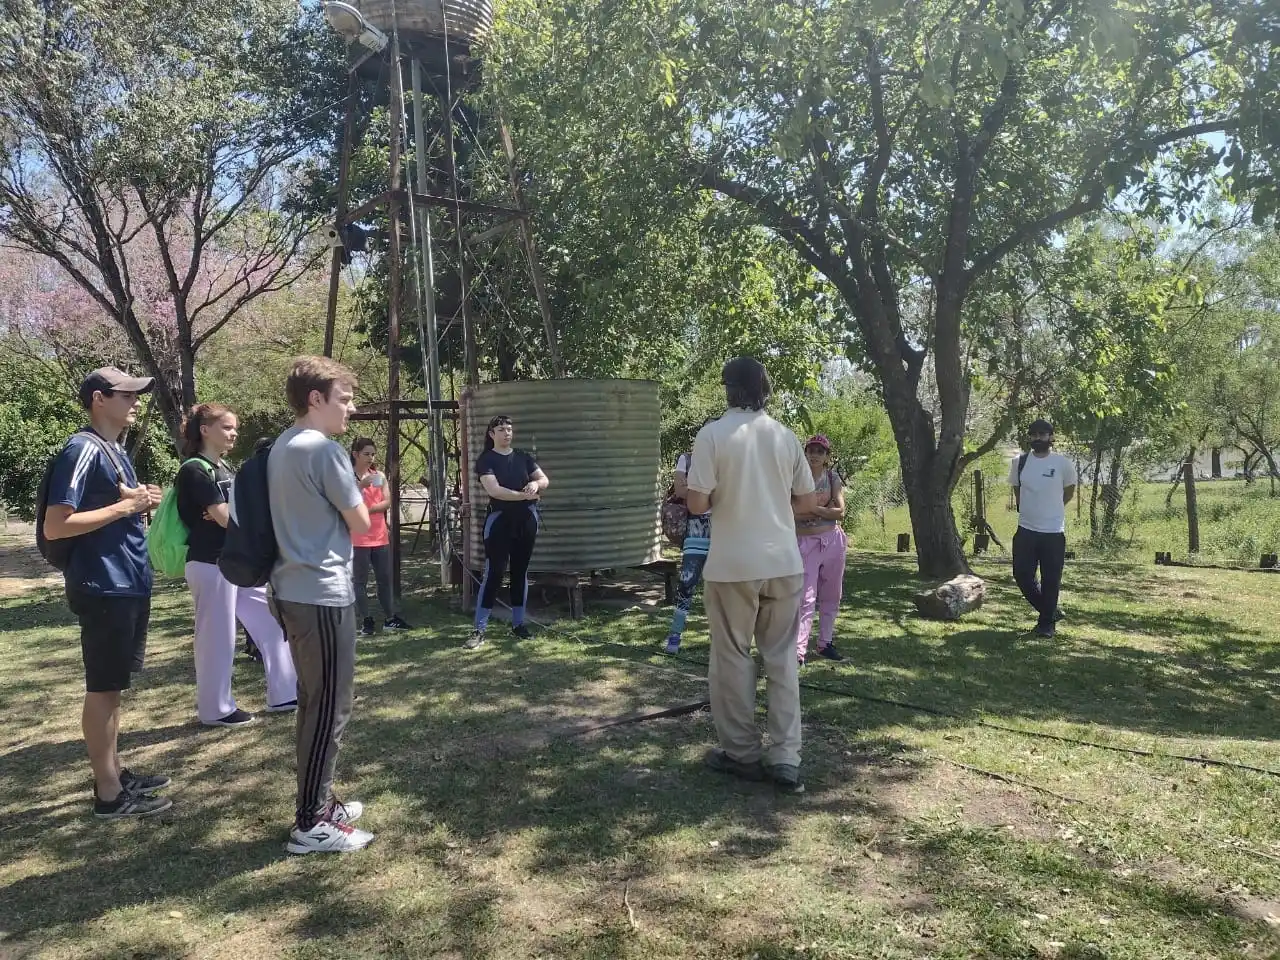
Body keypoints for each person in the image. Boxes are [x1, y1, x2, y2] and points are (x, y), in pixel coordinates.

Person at [43, 366, 171, 819]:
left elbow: (116, 509)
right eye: (126, 395)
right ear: (99, 399)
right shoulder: (81, 448)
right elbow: (56, 525)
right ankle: (109, 794)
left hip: (126, 582)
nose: (135, 402)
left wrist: (138, 502)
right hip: (104, 584)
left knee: (112, 688)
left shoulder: (112, 449)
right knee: (102, 689)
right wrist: (126, 506)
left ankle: (114, 772)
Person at [685, 357, 816, 793]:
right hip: (784, 562)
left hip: (732, 566)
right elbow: (806, 502)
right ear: (765, 391)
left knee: (732, 657)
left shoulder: (712, 435)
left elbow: (697, 504)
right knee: (782, 659)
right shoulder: (784, 435)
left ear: (728, 389)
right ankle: (786, 757)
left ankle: (741, 753)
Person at [269, 356, 375, 854]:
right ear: (316, 399)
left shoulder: (282, 445)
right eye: (344, 399)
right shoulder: (324, 450)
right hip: (321, 594)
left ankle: (319, 801)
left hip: (292, 590)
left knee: (314, 701)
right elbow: (360, 521)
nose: (350, 409)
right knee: (330, 707)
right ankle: (311, 822)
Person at [176, 403, 297, 727]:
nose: (234, 434)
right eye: (227, 427)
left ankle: (286, 692)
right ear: (205, 430)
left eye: (235, 428)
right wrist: (241, 518)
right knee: (217, 637)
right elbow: (225, 518)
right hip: (210, 563)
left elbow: (231, 515)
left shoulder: (225, 468)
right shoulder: (195, 469)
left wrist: (236, 516)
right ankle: (216, 709)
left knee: (270, 623)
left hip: (236, 562)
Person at [465, 415, 549, 649]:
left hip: (526, 521)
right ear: (492, 434)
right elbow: (495, 490)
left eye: (509, 429)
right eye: (501, 429)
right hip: (500, 522)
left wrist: (536, 484)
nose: (507, 433)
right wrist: (524, 496)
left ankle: (519, 624)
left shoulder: (523, 457)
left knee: (520, 572)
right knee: (494, 573)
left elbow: (544, 479)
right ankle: (479, 629)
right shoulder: (486, 459)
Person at [1009, 418, 1077, 638]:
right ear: (1030, 437)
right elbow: (1017, 490)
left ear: (1051, 437)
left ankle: (1046, 625)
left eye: (1042, 434)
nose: (1038, 438)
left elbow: (1069, 491)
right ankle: (1050, 612)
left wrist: (1053, 509)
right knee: (1022, 575)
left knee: (1051, 580)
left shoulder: (1062, 463)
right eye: (1034, 434)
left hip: (1053, 532)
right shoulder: (1019, 462)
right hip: (1026, 529)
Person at [793, 435, 847, 665]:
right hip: (805, 542)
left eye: (820, 451)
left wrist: (812, 510)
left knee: (832, 594)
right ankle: (798, 652)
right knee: (805, 597)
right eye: (811, 450)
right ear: (805, 453)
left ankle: (825, 643)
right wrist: (825, 511)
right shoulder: (796, 478)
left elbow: (840, 511)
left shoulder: (832, 478)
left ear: (827, 456)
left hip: (833, 541)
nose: (814, 455)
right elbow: (790, 512)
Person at [349, 437, 411, 637]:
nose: (370, 458)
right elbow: (346, 502)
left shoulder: (379, 476)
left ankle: (390, 618)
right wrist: (360, 486)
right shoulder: (347, 477)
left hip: (379, 535)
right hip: (358, 537)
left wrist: (367, 509)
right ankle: (366, 620)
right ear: (355, 454)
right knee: (360, 581)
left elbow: (387, 502)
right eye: (366, 454)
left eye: (373, 454)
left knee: (384, 579)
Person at [664, 419, 715, 654]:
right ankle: (675, 635)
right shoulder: (687, 459)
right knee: (686, 583)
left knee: (720, 587)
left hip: (724, 531)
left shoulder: (728, 460)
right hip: (696, 530)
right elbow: (681, 490)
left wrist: (699, 493)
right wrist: (715, 495)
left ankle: (719, 638)